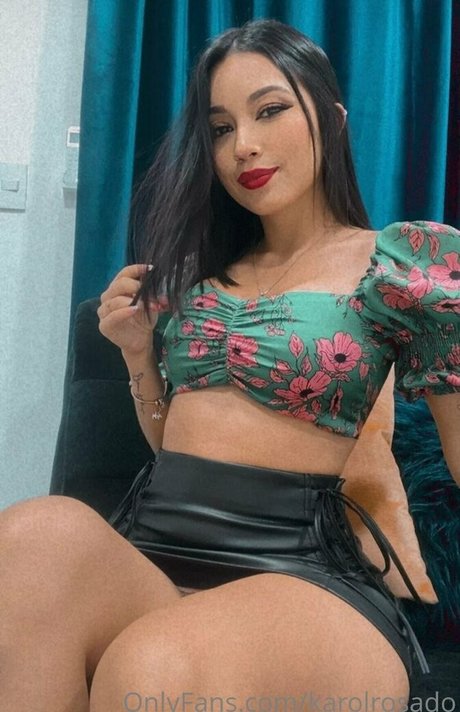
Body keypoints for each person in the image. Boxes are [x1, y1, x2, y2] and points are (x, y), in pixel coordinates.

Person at [1, 18, 459, 712]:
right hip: (154, 553)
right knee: (30, 538)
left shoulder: (402, 262)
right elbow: (174, 444)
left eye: (269, 110)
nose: (242, 144)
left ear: (332, 120)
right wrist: (138, 356)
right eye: (220, 128)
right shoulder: (197, 273)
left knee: (156, 663)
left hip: (304, 577)